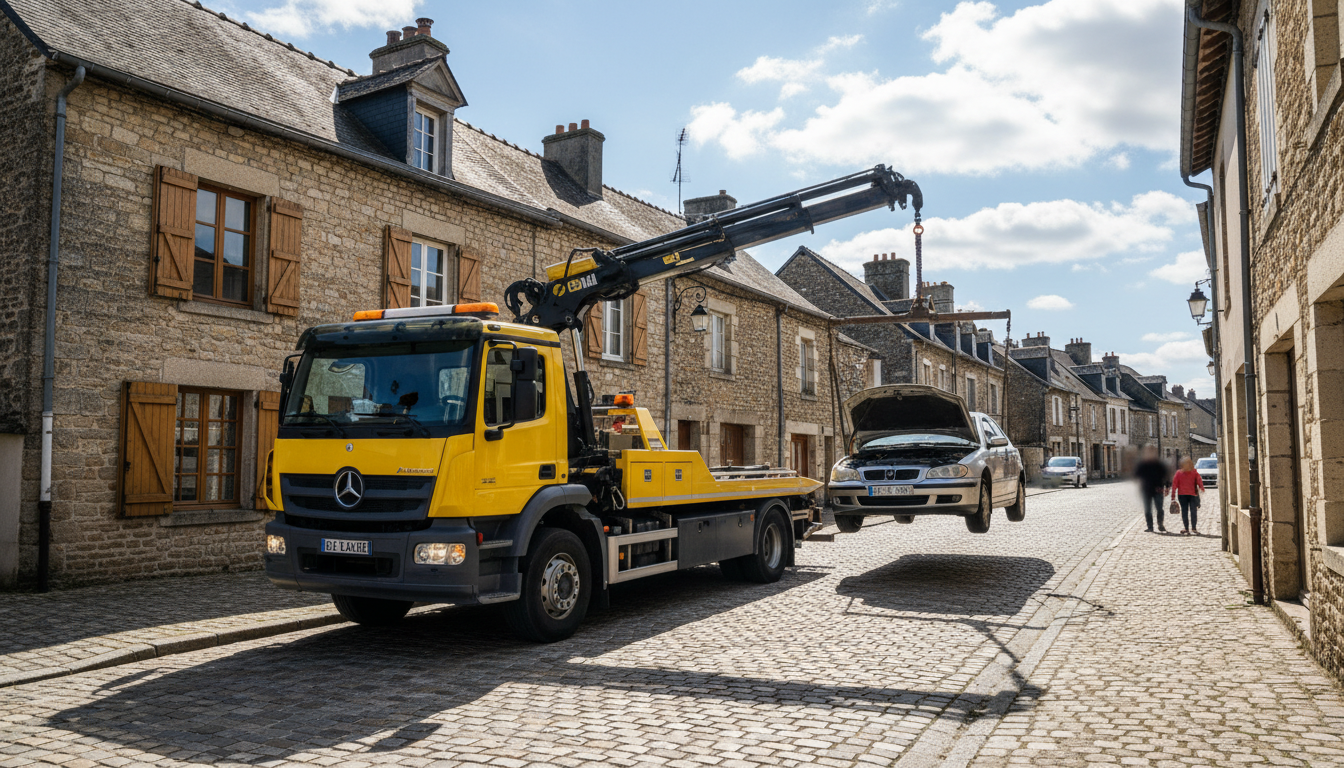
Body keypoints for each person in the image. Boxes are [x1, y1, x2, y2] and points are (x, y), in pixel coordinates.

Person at [1133, 446, 1171, 532]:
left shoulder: (1160, 464)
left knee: (1159, 509)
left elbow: (1166, 476)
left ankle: (1160, 525)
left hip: (1158, 489)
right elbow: (1136, 475)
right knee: (1148, 510)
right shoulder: (1142, 464)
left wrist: (1167, 487)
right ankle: (1150, 527)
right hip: (1146, 490)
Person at [1171, 457, 1206, 535]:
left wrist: (1201, 488)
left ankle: (1194, 528)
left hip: (1193, 495)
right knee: (1184, 512)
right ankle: (1186, 528)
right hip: (1182, 495)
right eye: (1185, 463)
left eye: (1188, 463)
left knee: (1193, 511)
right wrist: (1173, 496)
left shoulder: (1194, 472)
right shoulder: (1179, 473)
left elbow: (1199, 480)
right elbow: (1174, 484)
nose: (1187, 465)